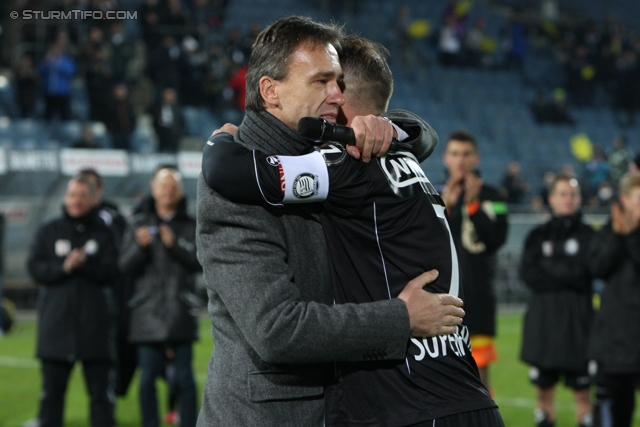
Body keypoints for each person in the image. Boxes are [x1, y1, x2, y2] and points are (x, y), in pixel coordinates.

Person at [202, 34, 503, 426]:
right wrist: (398, 129)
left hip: (411, 405)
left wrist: (218, 140)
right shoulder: (404, 154)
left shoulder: (342, 163)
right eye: (320, 82)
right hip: (464, 393)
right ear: (269, 90)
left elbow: (227, 170)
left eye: (335, 84)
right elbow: (423, 134)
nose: (333, 97)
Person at [26, 175, 119, 427]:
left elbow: (113, 271)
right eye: (72, 195)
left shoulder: (104, 234)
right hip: (56, 331)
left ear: (92, 199)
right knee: (51, 401)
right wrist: (64, 267)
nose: (76, 200)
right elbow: (34, 268)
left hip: (95, 332)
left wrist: (84, 265)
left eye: (82, 195)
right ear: (65, 198)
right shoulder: (49, 231)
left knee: (102, 401)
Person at [119, 165, 201, 427]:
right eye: (163, 186)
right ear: (153, 190)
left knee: (186, 380)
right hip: (146, 314)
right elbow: (124, 267)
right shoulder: (136, 225)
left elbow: (201, 261)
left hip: (180, 312)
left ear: (179, 191)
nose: (168, 191)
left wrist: (174, 246)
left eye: (173, 186)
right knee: (146, 381)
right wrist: (139, 249)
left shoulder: (191, 225)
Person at [519, 175, 595, 427]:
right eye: (562, 194)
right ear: (551, 198)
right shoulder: (537, 235)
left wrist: (549, 269)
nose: (568, 199)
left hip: (578, 325)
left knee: (584, 395)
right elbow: (528, 274)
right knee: (543, 394)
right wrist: (569, 274)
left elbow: (587, 273)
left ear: (579, 199)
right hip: (544, 325)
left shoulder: (588, 235)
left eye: (572, 194)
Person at [439, 130, 509, 391]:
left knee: (480, 379)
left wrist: (473, 206)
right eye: (455, 154)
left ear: (476, 158)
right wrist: (443, 208)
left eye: (466, 154)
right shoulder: (432, 193)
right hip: (441, 297)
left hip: (478, 298)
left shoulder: (494, 196)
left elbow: (496, 239)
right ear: (446, 158)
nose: (460, 160)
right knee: (443, 377)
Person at [588, 171, 640, 427]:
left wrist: (630, 236)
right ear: (624, 200)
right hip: (615, 341)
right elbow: (596, 267)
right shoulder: (610, 230)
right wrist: (620, 236)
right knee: (615, 411)